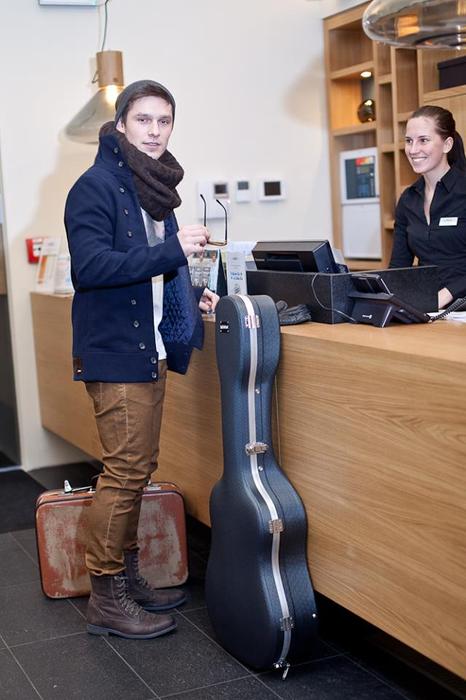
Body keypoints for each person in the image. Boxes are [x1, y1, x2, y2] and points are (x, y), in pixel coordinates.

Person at [65, 79, 219, 640]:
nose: (155, 131)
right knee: (124, 472)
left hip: (148, 346)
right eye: (144, 120)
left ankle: (127, 580)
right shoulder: (94, 186)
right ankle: (106, 596)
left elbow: (156, 270)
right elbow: (91, 268)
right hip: (115, 351)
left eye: (164, 121)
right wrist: (172, 250)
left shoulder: (153, 188)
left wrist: (190, 292)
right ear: (122, 124)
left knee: (137, 471)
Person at [389, 105, 466, 308]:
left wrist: (446, 294)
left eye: (423, 140)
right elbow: (398, 268)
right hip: (427, 308)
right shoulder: (408, 200)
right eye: (409, 141)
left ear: (447, 144)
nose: (413, 150)